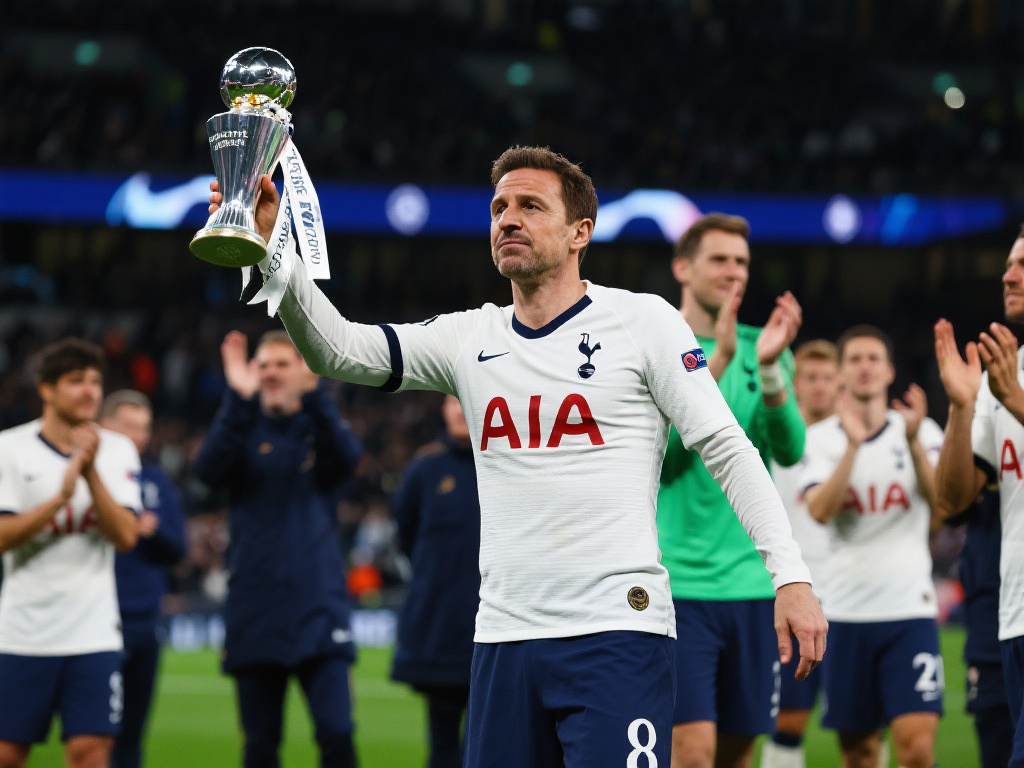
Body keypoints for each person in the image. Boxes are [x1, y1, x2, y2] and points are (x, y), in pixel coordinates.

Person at [207, 145, 827, 768]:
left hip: (616, 633)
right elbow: (336, 350)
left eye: (531, 205)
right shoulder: (468, 337)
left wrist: (790, 576)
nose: (508, 218)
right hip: (505, 637)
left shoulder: (643, 322)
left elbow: (728, 449)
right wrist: (274, 249)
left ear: (580, 232)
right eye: (499, 207)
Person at [656, 212, 806, 768]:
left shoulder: (764, 346)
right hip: (680, 585)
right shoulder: (655, 345)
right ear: (683, 268)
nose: (734, 271)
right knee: (691, 753)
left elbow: (788, 449)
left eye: (741, 261)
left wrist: (768, 369)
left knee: (739, 755)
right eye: (719, 259)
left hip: (752, 586)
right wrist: (714, 362)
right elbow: (663, 463)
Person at [192, 330, 364, 768]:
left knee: (337, 734)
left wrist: (316, 393)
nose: (270, 372)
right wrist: (239, 400)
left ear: (303, 369)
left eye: (282, 363)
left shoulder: (318, 428)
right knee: (260, 746)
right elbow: (207, 472)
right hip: (256, 608)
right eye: (262, 364)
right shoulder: (243, 426)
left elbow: (348, 459)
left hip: (318, 606)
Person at [801, 325, 944, 768]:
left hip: (910, 610)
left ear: (889, 372)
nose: (865, 367)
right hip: (846, 613)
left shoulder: (921, 429)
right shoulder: (821, 438)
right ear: (841, 373)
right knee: (859, 753)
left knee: (917, 751)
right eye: (855, 359)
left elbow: (941, 509)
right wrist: (853, 447)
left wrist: (914, 443)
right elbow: (820, 510)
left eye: (873, 358)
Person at [0, 337, 141, 768]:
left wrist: (90, 472)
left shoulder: (118, 450)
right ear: (47, 389)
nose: (89, 391)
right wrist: (59, 500)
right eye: (76, 380)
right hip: (23, 632)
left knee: (91, 753)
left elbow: (126, 536)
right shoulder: (10, 448)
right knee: (7, 754)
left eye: (95, 381)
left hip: (93, 633)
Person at [933, 225, 1024, 768]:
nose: (1008, 276)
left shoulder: (1009, 385)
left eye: (1023, 266)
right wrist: (962, 408)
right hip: (1014, 616)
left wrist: (1017, 401)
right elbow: (953, 500)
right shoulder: (1006, 374)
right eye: (1009, 264)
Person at [759, 340, 841, 768]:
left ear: (839, 382)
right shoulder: (774, 441)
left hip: (847, 594)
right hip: (792, 591)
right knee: (789, 716)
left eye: (827, 377)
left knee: (863, 721)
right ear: (794, 383)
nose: (819, 386)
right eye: (810, 377)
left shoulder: (852, 440)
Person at [390, 394, 480, 768]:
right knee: (442, 745)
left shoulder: (506, 462)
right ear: (443, 409)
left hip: (497, 626)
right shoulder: (424, 469)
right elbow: (405, 535)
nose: (459, 408)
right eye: (452, 400)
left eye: (465, 398)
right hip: (441, 628)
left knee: (490, 745)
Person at [100, 389, 187, 768]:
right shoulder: (90, 476)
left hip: (145, 619)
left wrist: (151, 530)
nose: (139, 436)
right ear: (105, 427)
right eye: (129, 426)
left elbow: (178, 548)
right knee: (95, 732)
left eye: (144, 428)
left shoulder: (154, 480)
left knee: (132, 733)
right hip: (98, 618)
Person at [942, 483, 1013, 768]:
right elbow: (946, 506)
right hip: (991, 606)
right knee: (995, 730)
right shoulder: (982, 454)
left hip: (992, 598)